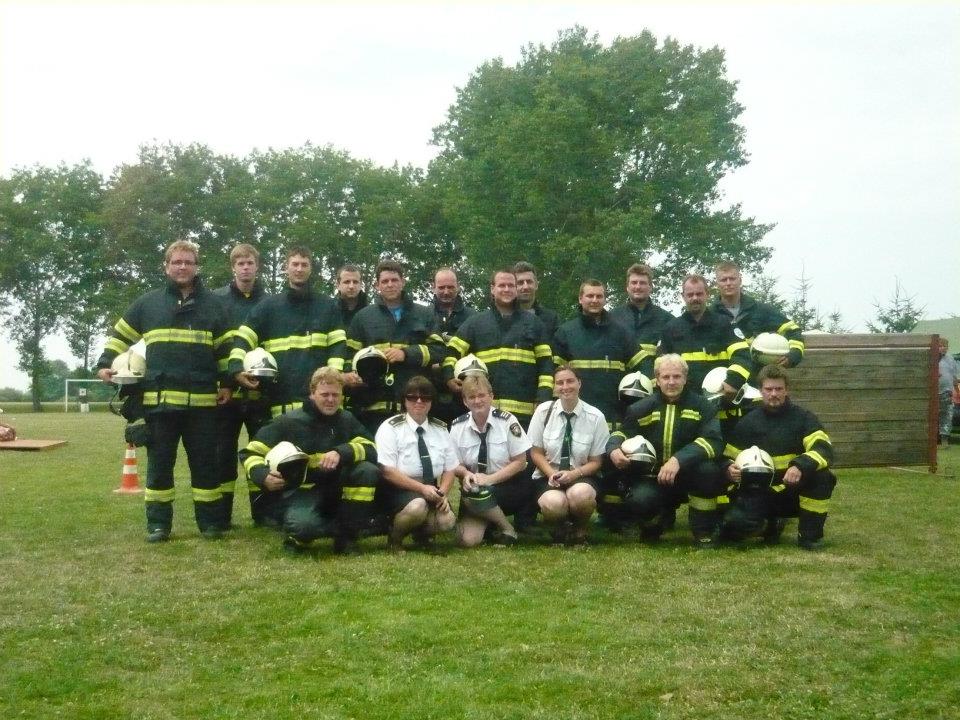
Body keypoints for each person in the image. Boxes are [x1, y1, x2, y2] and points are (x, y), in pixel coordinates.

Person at [96, 239, 233, 543]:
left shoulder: (215, 306)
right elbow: (120, 335)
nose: (182, 267)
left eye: (188, 262)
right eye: (176, 262)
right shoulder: (148, 304)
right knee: (159, 468)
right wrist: (105, 363)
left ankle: (210, 524)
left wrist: (227, 383)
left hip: (202, 405)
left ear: (197, 267)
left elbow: (225, 350)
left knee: (206, 467)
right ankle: (158, 525)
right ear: (166, 266)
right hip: (159, 405)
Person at [239, 367, 379, 555]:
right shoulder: (288, 422)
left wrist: (341, 452)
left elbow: (371, 448)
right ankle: (302, 532)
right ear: (312, 394)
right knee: (304, 527)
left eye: (336, 395)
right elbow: (250, 453)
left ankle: (348, 537)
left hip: (335, 489)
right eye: (325, 394)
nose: (331, 400)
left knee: (367, 470)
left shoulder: (346, 419)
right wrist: (263, 476)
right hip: (301, 492)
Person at [607, 354, 726, 547]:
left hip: (690, 474)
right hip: (653, 476)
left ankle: (703, 530)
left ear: (685, 378)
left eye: (677, 376)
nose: (671, 382)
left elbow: (713, 442)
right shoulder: (640, 408)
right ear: (657, 379)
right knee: (640, 500)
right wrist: (613, 448)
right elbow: (623, 433)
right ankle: (654, 524)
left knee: (708, 471)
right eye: (666, 377)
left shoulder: (704, 406)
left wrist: (678, 460)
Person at [720, 364, 837, 550]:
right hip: (759, 492)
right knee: (733, 526)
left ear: (786, 390)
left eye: (778, 389)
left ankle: (810, 536)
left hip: (793, 490)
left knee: (823, 477)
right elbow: (728, 457)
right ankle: (770, 525)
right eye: (768, 389)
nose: (773, 394)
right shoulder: (748, 422)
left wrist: (800, 465)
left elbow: (823, 448)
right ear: (760, 391)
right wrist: (728, 468)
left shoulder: (804, 418)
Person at [229, 246, 346, 419]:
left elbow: (338, 346)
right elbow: (244, 337)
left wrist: (332, 380)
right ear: (286, 268)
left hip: (318, 407)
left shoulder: (328, 306)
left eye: (304, 265)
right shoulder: (268, 306)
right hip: (278, 404)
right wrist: (236, 369)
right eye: (295, 264)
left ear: (311, 268)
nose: (299, 269)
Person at [443, 267, 554, 430]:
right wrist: (449, 378)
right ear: (492, 289)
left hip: (524, 416)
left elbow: (546, 366)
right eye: (502, 285)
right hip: (485, 414)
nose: (507, 289)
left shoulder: (534, 324)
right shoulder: (475, 323)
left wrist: (543, 398)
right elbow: (451, 352)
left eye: (511, 285)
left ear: (516, 289)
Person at [345, 259, 446, 434]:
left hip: (414, 405)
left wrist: (406, 354)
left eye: (394, 280)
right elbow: (349, 356)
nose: (390, 285)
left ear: (403, 282)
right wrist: (352, 376)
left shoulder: (425, 314)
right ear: (377, 285)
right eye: (385, 281)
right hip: (372, 410)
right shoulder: (362, 318)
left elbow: (439, 351)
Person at [213, 243, 270, 527]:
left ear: (257, 267)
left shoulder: (269, 302)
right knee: (222, 454)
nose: (246, 268)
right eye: (240, 263)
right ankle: (221, 516)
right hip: (227, 393)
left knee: (260, 451)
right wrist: (225, 381)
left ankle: (263, 514)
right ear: (232, 267)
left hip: (260, 392)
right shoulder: (216, 301)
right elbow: (214, 346)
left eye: (250, 263)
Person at [528, 365, 609, 545]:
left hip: (582, 475)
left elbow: (596, 461)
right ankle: (560, 528)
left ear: (579, 383)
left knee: (581, 495)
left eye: (570, 381)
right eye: (560, 383)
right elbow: (536, 452)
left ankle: (580, 528)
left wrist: (573, 474)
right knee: (553, 504)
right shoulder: (543, 412)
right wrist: (551, 474)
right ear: (554, 387)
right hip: (549, 475)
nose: (565, 387)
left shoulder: (596, 417)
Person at [374, 376, 458, 550]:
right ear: (404, 401)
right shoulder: (390, 428)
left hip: (432, 489)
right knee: (417, 507)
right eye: (412, 397)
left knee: (447, 521)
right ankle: (395, 539)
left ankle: (421, 535)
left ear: (432, 402)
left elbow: (450, 468)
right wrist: (421, 489)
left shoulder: (441, 429)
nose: (419, 401)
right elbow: (387, 471)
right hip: (398, 490)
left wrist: (442, 493)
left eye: (425, 397)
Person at [448, 374, 532, 547]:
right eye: (472, 397)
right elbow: (455, 464)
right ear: (465, 401)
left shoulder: (507, 421)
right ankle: (491, 524)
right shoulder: (457, 426)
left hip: (507, 487)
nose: (477, 401)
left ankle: (508, 529)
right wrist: (466, 474)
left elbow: (520, 461)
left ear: (491, 396)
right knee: (466, 540)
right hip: (475, 491)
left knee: (481, 493)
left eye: (481, 395)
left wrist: (489, 479)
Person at [552, 279, 642, 428]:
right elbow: (555, 376)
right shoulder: (566, 332)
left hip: (613, 418)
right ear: (580, 299)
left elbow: (642, 364)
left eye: (599, 296)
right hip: (576, 417)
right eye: (590, 296)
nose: (594, 300)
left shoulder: (621, 332)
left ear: (605, 300)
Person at [659, 273, 752, 398]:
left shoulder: (725, 324)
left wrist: (733, 381)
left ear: (707, 294)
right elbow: (661, 365)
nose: (695, 298)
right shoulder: (670, 329)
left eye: (699, 294)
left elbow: (742, 355)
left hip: (722, 399)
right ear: (683, 296)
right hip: (685, 401)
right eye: (690, 295)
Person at [712, 261, 804, 375]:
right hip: (727, 378)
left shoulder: (761, 310)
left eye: (732, 279)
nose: (728, 283)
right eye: (723, 280)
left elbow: (793, 330)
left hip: (758, 378)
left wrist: (794, 355)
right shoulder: (710, 315)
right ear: (717, 283)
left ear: (740, 280)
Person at [609, 263, 674, 376]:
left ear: (650, 287)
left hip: (654, 383)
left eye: (642, 283)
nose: (638, 287)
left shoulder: (667, 320)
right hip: (618, 382)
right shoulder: (612, 318)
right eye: (634, 283)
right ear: (627, 287)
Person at [430, 267, 475, 424]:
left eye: (450, 287)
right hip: (431, 391)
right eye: (441, 287)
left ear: (458, 287)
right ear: (433, 287)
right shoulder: (423, 315)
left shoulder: (473, 317)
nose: (446, 292)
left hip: (463, 391)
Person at [514, 261, 559, 338]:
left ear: (536, 285)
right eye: (520, 283)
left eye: (529, 282)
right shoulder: (504, 317)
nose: (525, 287)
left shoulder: (551, 319)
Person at [937, 338, 959, 445]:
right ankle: (933, 439)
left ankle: (944, 440)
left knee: (947, 415)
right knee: (934, 416)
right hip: (933, 393)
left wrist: (957, 391)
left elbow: (954, 377)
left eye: (945, 346)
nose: (943, 348)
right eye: (940, 346)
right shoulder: (931, 358)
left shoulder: (950, 359)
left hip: (947, 392)